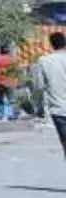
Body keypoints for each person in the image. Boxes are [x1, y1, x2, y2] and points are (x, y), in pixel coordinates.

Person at [33, 32, 66, 160]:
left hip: (59, 110)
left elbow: (38, 87)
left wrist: (39, 108)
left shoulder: (44, 61)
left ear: (52, 45)